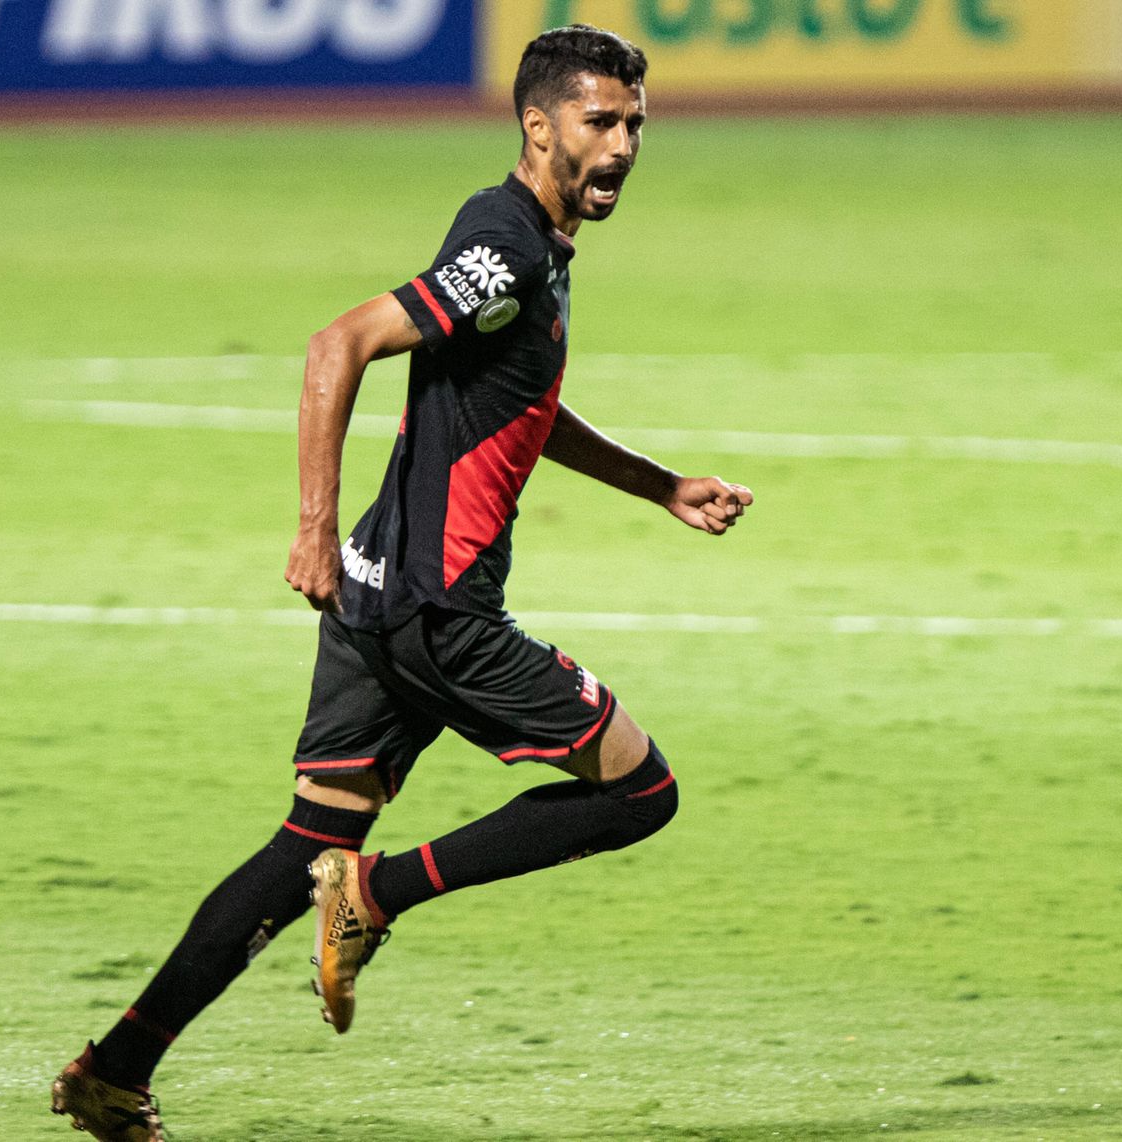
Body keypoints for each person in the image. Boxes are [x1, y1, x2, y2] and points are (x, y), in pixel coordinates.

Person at [51, 23, 754, 1141]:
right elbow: (338, 343)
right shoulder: (508, 246)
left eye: (635, 123)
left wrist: (658, 484)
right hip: (440, 610)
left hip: (375, 597)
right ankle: (378, 893)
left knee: (303, 843)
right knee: (639, 793)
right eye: (600, 121)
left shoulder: (520, 242)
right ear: (539, 127)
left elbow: (518, 399)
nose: (622, 144)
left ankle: (112, 1069)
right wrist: (311, 526)